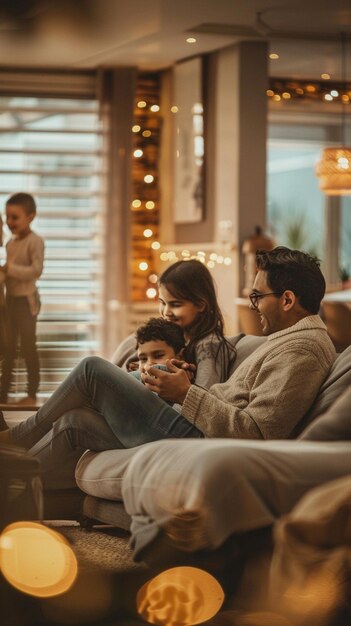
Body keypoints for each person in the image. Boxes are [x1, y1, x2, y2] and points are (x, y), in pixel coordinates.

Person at [0, 247, 336, 491]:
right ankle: (11, 489)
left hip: (199, 440)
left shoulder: (302, 349)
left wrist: (185, 392)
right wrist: (182, 383)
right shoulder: (290, 340)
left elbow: (258, 434)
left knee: (91, 370)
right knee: (74, 421)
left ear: (288, 300)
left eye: (258, 296)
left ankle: (14, 437)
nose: (253, 305)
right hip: (196, 428)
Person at [114, 259, 238, 388]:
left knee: (94, 366)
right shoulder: (171, 336)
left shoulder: (209, 345)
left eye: (175, 304)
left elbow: (202, 397)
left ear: (201, 305)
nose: (166, 311)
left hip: (172, 406)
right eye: (162, 302)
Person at [0, 193, 44, 406]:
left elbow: (36, 271)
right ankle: (3, 394)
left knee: (28, 347)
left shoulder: (35, 241)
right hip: (11, 302)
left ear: (31, 217)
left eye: (15, 217)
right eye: (7, 217)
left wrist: (9, 269)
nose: (9, 222)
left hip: (26, 303)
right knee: (8, 348)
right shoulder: (9, 243)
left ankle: (31, 393)